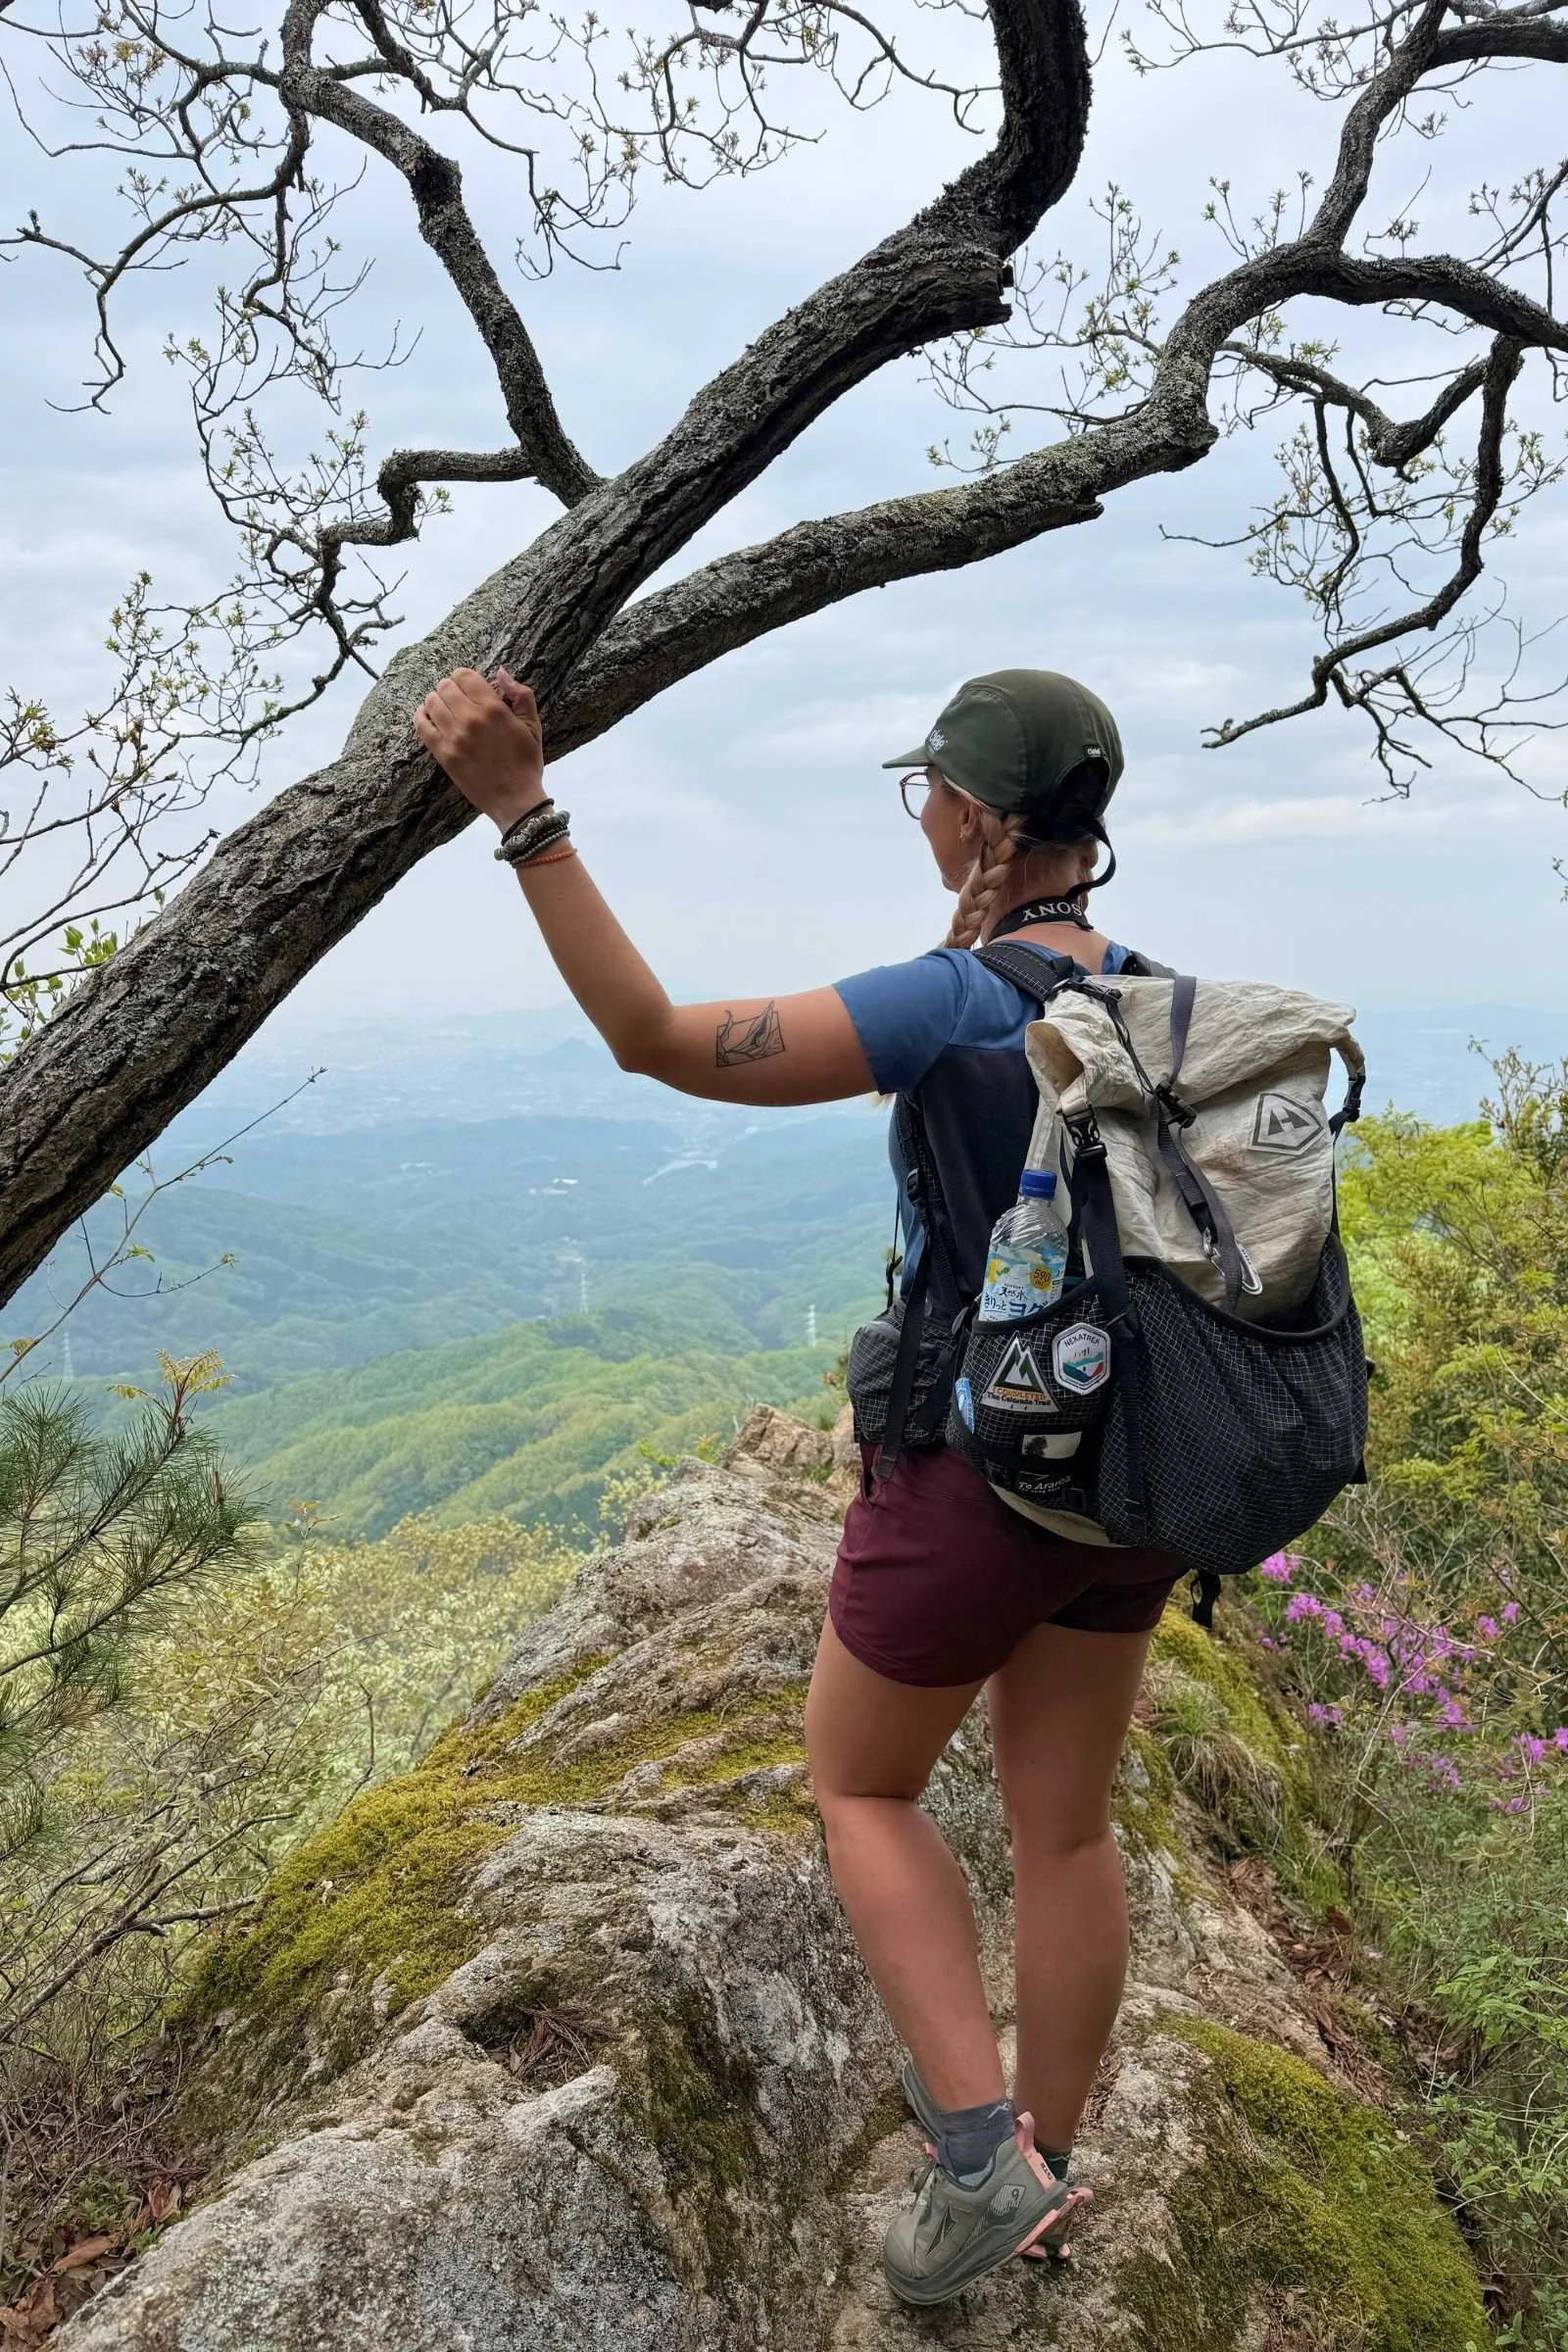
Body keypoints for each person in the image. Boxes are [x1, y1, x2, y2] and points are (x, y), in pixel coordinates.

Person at [414, 662, 1182, 2307]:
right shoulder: (1167, 996)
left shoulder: (957, 997)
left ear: (972, 815)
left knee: (859, 1785)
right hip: (1140, 1477)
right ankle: (1046, 2156)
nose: (926, 816)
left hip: (981, 1481)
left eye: (931, 793)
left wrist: (526, 817)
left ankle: (984, 2161)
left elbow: (655, 1040)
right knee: (1063, 1828)